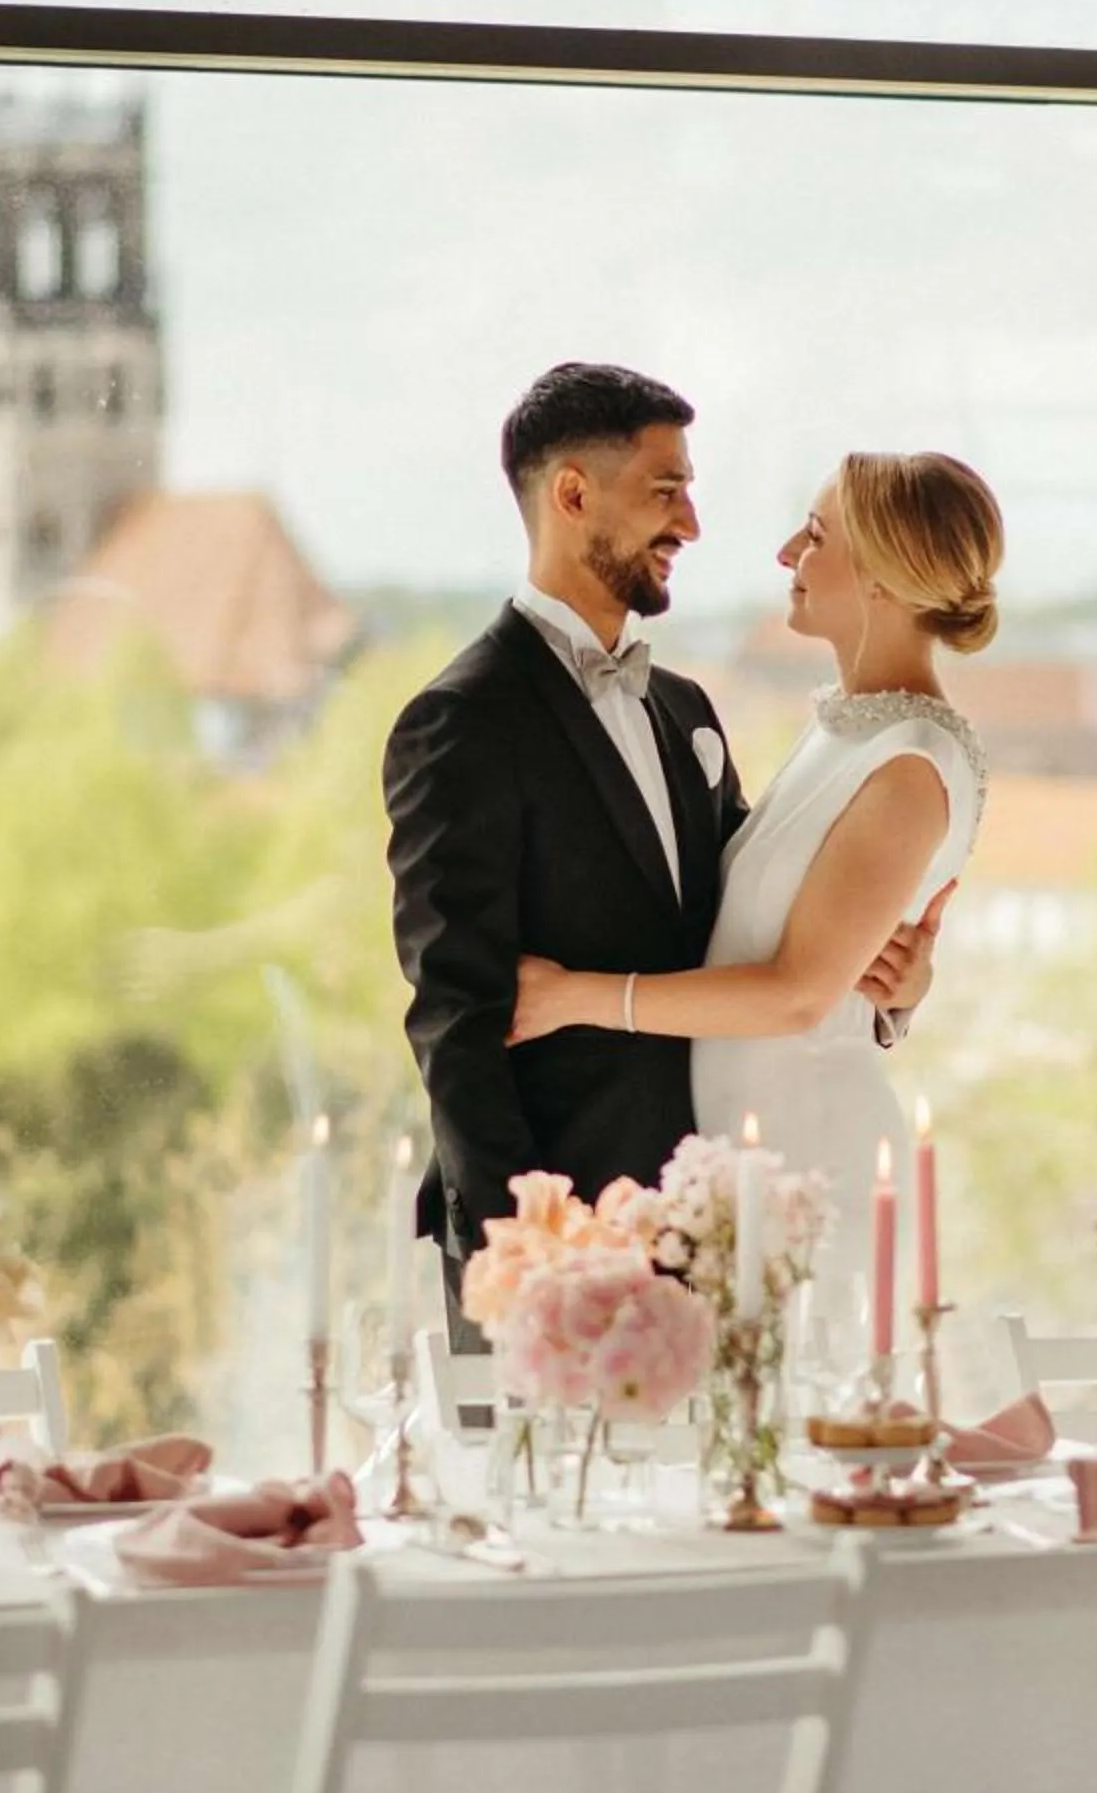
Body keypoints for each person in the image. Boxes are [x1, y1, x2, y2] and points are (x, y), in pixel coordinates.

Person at [383, 364, 944, 1339]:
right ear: (572, 495)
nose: (691, 523)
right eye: (665, 491)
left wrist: (888, 988)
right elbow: (457, 1024)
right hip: (559, 1250)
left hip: (708, 1236)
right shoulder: (461, 722)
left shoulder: (685, 709)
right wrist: (528, 1257)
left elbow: (753, 932)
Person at [510, 448, 999, 1335]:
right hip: (748, 1160)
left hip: (816, 1168)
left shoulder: (909, 765)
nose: (785, 554)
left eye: (814, 536)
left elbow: (799, 992)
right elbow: (819, 957)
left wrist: (571, 999)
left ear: (885, 578)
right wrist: (893, 997)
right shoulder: (852, 733)